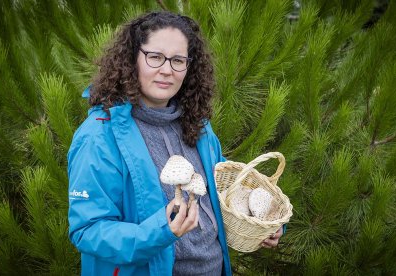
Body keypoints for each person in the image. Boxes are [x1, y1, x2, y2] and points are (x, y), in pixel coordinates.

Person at [67, 11, 283, 276]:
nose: (167, 70)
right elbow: (87, 231)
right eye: (155, 57)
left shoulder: (197, 125)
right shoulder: (99, 136)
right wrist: (161, 230)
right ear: (132, 58)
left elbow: (223, 188)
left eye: (178, 60)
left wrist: (263, 223)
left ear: (190, 67)